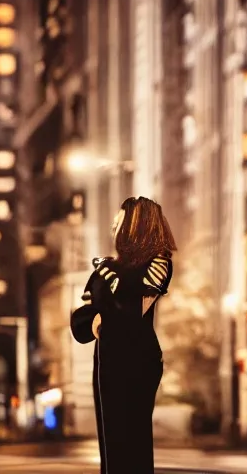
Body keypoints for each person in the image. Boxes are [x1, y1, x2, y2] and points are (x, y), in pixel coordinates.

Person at [70, 196, 177, 474]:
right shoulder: (105, 269)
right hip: (107, 358)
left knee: (131, 440)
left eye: (119, 222)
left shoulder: (158, 262)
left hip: (137, 360)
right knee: (111, 441)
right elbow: (82, 317)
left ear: (135, 226)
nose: (114, 227)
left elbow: (131, 311)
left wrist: (103, 314)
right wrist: (96, 319)